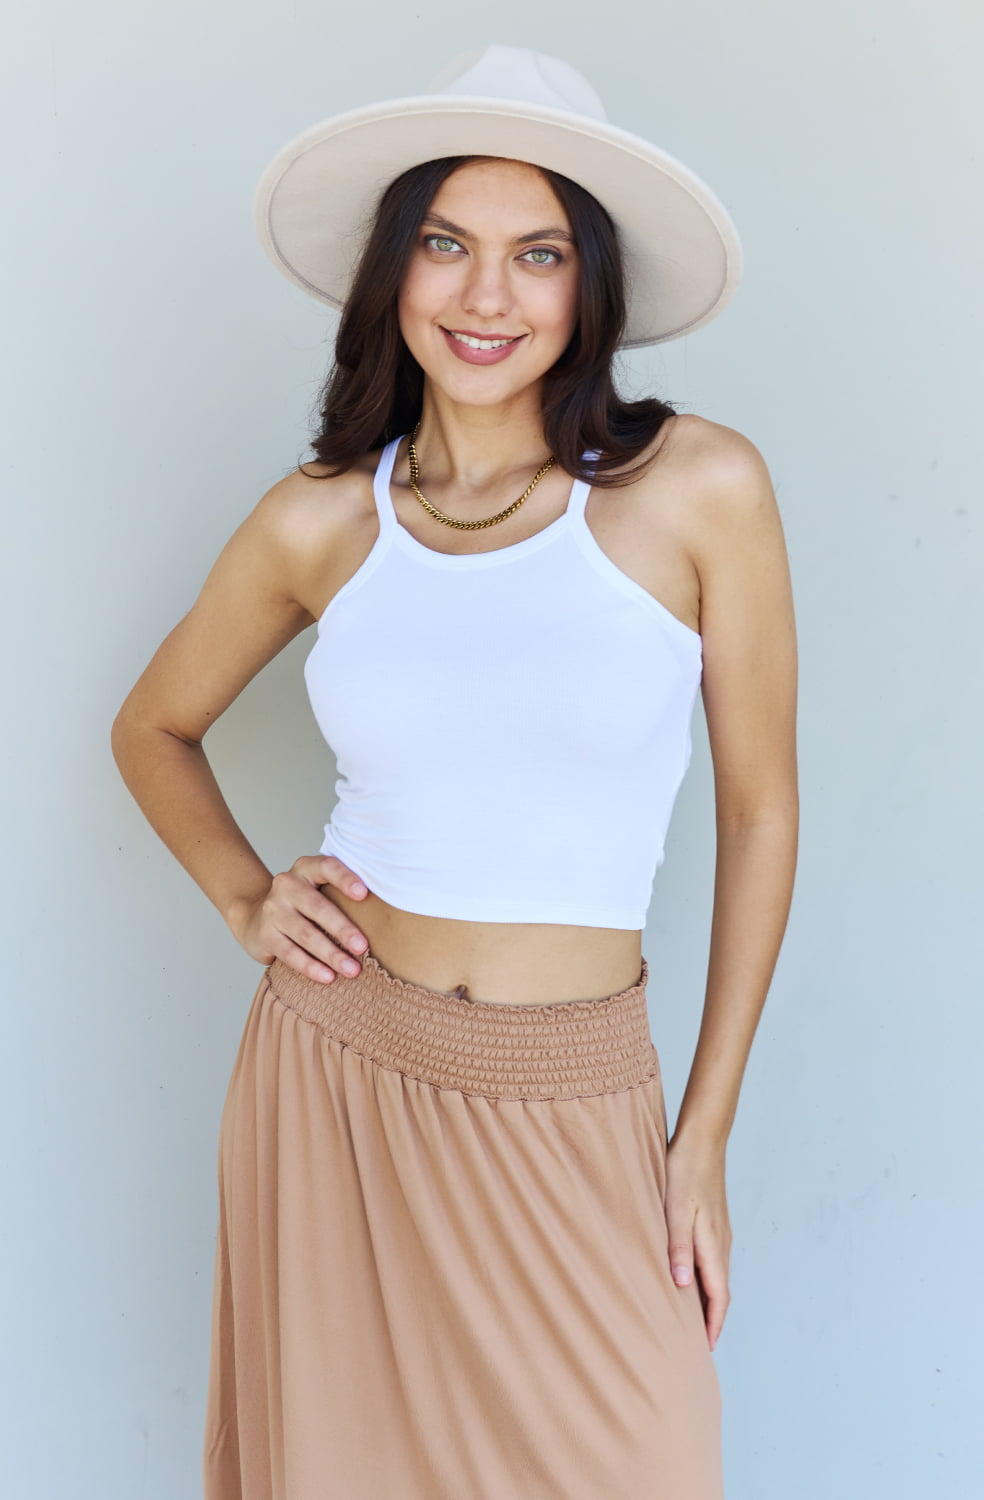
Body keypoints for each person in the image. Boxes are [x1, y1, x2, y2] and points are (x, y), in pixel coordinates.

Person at [111, 44, 798, 1500]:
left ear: (588, 287)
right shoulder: (320, 518)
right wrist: (246, 898)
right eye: (447, 245)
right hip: (340, 1079)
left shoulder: (702, 489)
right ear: (395, 271)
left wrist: (703, 1135)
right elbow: (151, 725)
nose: (487, 296)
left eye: (537, 255)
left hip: (579, 1094)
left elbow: (761, 809)